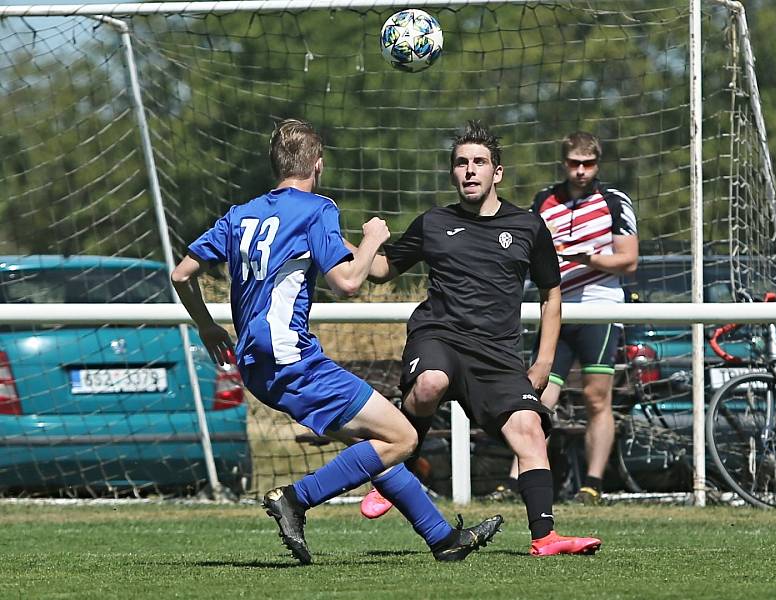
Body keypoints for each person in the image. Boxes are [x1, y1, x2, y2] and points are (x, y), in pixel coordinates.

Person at [171, 118, 503, 565]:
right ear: (318, 165)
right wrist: (372, 240)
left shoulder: (240, 213)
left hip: (256, 365)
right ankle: (294, 498)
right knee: (402, 436)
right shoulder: (316, 209)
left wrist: (208, 326)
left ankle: (443, 540)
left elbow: (181, 274)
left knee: (369, 445)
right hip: (292, 359)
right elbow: (347, 282)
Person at [358, 120, 602, 556]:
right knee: (431, 382)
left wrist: (545, 359)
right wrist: (358, 243)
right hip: (439, 335)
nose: (470, 170)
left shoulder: (528, 226)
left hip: (496, 353)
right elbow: (380, 272)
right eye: (461, 163)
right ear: (452, 173)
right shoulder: (432, 223)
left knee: (529, 430)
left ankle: (545, 538)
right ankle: (395, 466)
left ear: (497, 173)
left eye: (479, 162)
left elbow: (551, 293)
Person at [528, 131, 639, 504]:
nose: (580, 171)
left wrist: (582, 257)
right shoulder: (544, 200)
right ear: (564, 163)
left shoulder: (613, 201)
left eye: (587, 164)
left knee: (596, 398)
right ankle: (521, 479)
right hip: (554, 305)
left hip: (599, 305)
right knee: (538, 393)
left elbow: (628, 260)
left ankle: (592, 484)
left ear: (597, 164)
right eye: (574, 163)